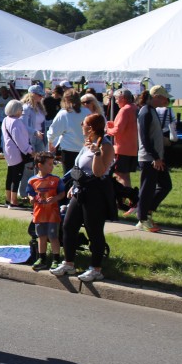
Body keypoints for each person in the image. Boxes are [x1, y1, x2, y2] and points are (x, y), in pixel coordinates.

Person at [50, 114, 114, 282]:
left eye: (83, 124)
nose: (81, 126)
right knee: (68, 225)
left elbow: (99, 173)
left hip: (96, 193)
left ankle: (96, 269)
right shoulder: (87, 143)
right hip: (80, 190)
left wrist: (97, 154)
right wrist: (74, 185)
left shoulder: (105, 146)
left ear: (91, 128)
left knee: (94, 230)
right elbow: (80, 167)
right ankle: (68, 263)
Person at [136, 86, 172, 232]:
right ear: (156, 97)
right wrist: (155, 157)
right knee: (147, 189)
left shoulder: (153, 111)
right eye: (164, 98)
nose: (166, 101)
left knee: (165, 185)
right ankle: (142, 219)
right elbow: (144, 138)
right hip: (149, 158)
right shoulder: (145, 112)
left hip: (156, 157)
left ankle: (147, 212)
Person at [27, 152, 66, 271]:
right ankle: (42, 258)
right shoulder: (32, 181)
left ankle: (56, 259)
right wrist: (31, 198)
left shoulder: (56, 180)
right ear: (40, 165)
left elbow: (62, 193)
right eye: (49, 164)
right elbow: (30, 193)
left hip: (53, 214)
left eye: (52, 164)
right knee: (41, 237)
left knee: (53, 236)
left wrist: (55, 198)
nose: (52, 166)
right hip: (39, 214)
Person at [105, 89, 138, 204]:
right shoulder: (135, 108)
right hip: (133, 148)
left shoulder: (124, 110)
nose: (116, 101)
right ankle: (127, 200)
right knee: (125, 175)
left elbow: (118, 131)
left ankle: (129, 200)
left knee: (120, 175)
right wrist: (113, 125)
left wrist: (108, 130)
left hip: (122, 148)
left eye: (116, 99)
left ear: (123, 98)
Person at [1, 99, 32, 209]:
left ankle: (8, 199)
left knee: (10, 175)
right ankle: (14, 201)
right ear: (17, 110)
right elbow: (19, 140)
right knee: (16, 176)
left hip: (8, 151)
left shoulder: (5, 120)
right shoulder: (16, 122)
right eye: (21, 110)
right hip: (17, 153)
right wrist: (29, 150)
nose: (22, 112)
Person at [18, 85, 48, 197]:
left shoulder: (40, 107)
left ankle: (38, 189)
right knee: (29, 166)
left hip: (39, 138)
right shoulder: (26, 108)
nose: (41, 97)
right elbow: (23, 125)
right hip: (30, 139)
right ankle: (23, 192)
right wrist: (35, 132)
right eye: (39, 95)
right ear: (32, 94)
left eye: (42, 95)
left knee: (41, 164)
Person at [47, 89, 87, 172]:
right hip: (85, 149)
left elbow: (53, 131)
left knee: (69, 176)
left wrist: (50, 142)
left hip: (69, 150)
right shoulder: (87, 112)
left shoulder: (63, 113)